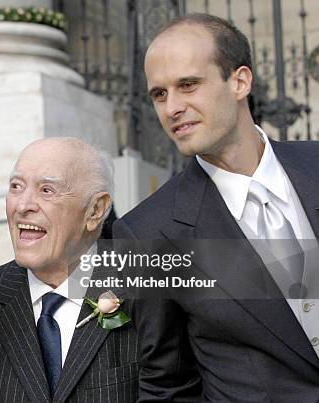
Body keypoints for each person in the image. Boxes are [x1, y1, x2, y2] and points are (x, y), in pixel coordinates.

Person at [113, 13, 319, 401]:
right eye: (159, 94)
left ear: (240, 81)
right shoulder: (147, 234)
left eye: (187, 85)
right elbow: (166, 386)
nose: (171, 107)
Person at [0, 137, 138, 403]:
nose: (23, 205)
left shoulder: (143, 293)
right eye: (16, 187)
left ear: (96, 210)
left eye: (46, 190)